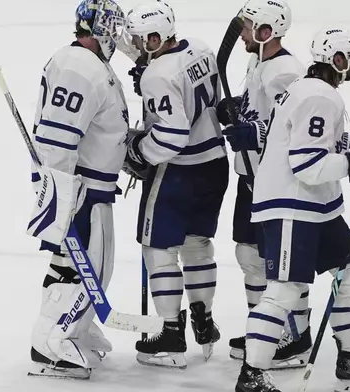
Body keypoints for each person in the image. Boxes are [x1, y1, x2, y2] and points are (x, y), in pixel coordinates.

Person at [235, 28, 350, 392]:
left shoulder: (307, 90)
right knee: (286, 289)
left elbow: (319, 141)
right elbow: (306, 164)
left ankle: (349, 358)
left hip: (316, 207)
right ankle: (252, 375)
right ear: (337, 60)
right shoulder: (321, 96)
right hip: (293, 205)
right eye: (348, 58)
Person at [122, 0, 229, 369]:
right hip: (215, 164)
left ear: (156, 36)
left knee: (158, 249)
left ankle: (170, 331)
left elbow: (172, 137)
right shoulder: (199, 47)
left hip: (178, 171)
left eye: (140, 38)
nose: (135, 44)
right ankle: (204, 320)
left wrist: (139, 151)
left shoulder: (157, 75)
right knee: (198, 244)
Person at [27, 0, 130, 380]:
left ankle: (73, 330)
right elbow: (57, 139)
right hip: (80, 188)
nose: (117, 38)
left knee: (81, 267)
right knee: (86, 269)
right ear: (99, 28)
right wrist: (59, 196)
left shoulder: (90, 65)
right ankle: (52, 344)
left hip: (90, 186)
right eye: (113, 29)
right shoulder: (78, 67)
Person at [215, 0, 309, 368]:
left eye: (248, 26)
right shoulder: (260, 64)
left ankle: (296, 338)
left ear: (267, 31)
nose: (241, 33)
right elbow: (263, 110)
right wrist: (238, 109)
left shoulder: (285, 71)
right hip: (250, 177)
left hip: (273, 181)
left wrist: (252, 132)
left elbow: (295, 124)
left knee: (281, 263)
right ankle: (265, 330)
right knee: (249, 254)